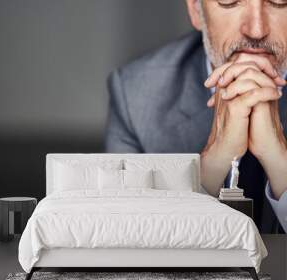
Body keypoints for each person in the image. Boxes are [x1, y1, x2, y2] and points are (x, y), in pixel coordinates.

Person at [105, 0, 287, 233]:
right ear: (195, 10)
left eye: (279, 2)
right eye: (230, 2)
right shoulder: (135, 93)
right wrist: (214, 159)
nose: (256, 30)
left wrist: (278, 159)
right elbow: (126, 238)